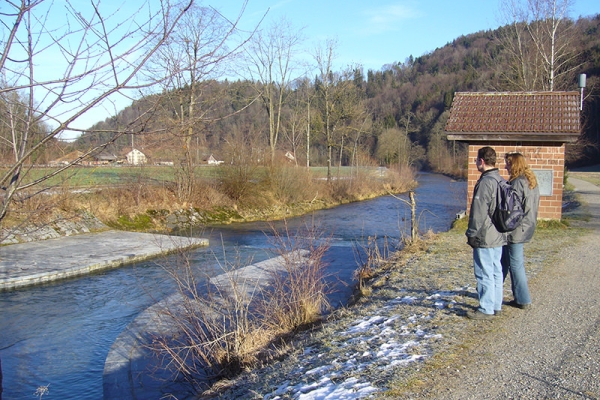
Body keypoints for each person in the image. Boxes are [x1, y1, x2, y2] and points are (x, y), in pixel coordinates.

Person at [465, 146, 506, 319]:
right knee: (496, 270)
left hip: (485, 234)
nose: (475, 162)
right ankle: (496, 304)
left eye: (476, 159)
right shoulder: (500, 180)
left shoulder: (485, 182)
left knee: (483, 271)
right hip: (499, 233)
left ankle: (486, 308)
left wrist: (471, 233)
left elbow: (478, 212)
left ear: (482, 161)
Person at [501, 152, 540, 309]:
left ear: (514, 165)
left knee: (515, 264)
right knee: (507, 261)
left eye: (507, 164)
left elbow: (512, 210)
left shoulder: (517, 183)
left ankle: (523, 299)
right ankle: (497, 292)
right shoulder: (531, 182)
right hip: (527, 226)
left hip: (516, 229)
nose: (505, 166)